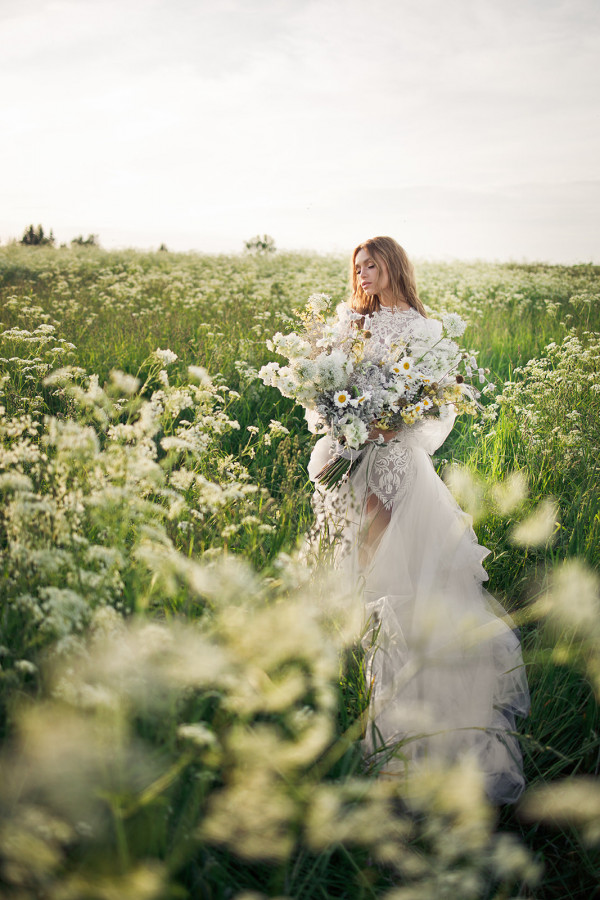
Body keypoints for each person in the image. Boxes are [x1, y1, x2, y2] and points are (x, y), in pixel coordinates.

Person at [307, 236, 530, 805]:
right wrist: (337, 417)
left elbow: (433, 403)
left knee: (399, 580)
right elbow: (326, 390)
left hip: (394, 464)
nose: (362, 274)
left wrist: (384, 427)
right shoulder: (347, 320)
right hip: (353, 457)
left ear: (393, 267)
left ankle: (419, 723)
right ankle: (378, 695)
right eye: (356, 266)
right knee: (363, 574)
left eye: (371, 264)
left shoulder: (419, 330)